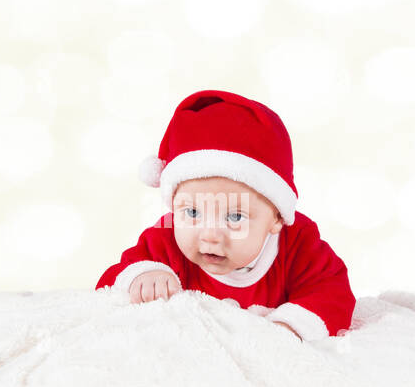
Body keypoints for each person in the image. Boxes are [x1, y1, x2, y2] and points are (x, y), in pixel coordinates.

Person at [96, 90, 355, 341]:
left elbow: (331, 291)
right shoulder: (165, 238)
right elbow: (111, 281)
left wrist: (290, 326)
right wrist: (142, 277)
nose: (209, 235)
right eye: (193, 212)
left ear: (276, 218)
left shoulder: (298, 243)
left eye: (234, 217)